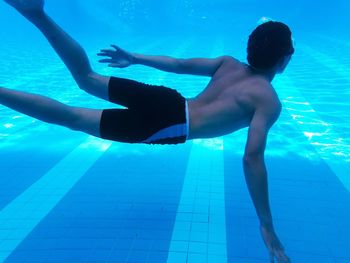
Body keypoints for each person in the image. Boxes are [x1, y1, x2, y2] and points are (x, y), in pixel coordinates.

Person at [1, 0, 294, 262]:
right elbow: (251, 159)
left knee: (87, 78)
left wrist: (136, 57)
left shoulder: (228, 64)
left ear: (250, 47)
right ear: (284, 59)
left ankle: (36, 13)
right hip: (169, 125)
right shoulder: (267, 99)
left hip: (167, 100)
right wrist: (266, 224)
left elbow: (179, 64)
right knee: (72, 116)